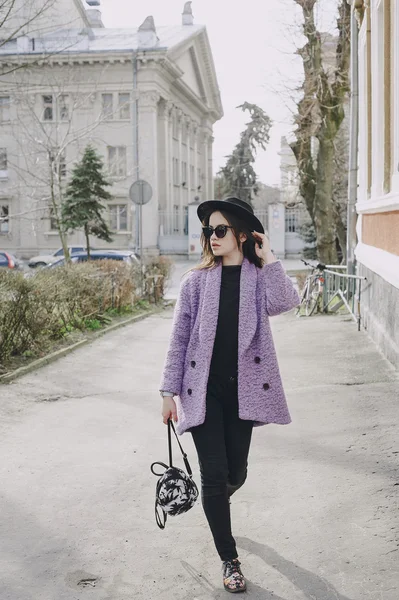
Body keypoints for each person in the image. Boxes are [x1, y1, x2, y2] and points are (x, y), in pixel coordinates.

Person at [159, 197, 300, 593]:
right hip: (201, 392)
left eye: (220, 230)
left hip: (245, 392)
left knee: (236, 471)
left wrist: (269, 256)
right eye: (209, 231)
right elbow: (178, 340)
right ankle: (229, 558)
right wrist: (168, 391)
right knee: (215, 476)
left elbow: (287, 301)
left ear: (240, 234)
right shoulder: (196, 281)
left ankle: (216, 500)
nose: (213, 237)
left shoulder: (258, 279)